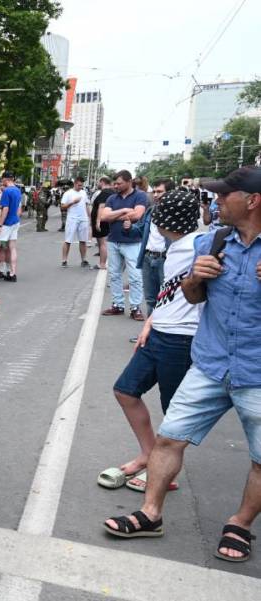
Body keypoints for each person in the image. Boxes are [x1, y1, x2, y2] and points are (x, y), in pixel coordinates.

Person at [102, 166, 261, 563]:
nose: (217, 201)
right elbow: (189, 296)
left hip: (256, 373)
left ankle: (240, 523)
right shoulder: (213, 240)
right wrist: (196, 278)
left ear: (253, 201)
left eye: (226, 195)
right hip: (209, 364)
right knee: (170, 437)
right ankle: (151, 514)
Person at [97, 189, 201, 494]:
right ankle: (148, 454)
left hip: (183, 339)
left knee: (174, 415)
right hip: (159, 333)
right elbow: (168, 294)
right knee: (125, 390)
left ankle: (164, 472)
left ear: (165, 219)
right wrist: (149, 324)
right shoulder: (175, 247)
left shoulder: (201, 245)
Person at [99, 170, 148, 320]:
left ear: (129, 182)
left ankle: (135, 307)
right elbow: (104, 216)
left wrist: (115, 216)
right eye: (115, 183)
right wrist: (125, 210)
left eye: (119, 183)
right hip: (114, 240)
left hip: (133, 242)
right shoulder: (112, 198)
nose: (116, 186)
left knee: (135, 276)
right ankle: (118, 305)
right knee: (114, 275)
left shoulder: (140, 196)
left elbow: (138, 215)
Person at [133, 179, 172, 314]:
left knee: (166, 299)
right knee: (150, 300)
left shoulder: (175, 214)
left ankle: (160, 333)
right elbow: (139, 229)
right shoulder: (151, 211)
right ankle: (149, 334)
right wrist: (128, 227)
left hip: (165, 260)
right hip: (148, 258)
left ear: (170, 193)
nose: (155, 195)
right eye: (154, 191)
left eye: (160, 192)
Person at [0, 171, 22, 282]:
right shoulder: (18, 190)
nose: (1, 181)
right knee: (12, 247)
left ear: (6, 179)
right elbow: (15, 207)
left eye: (2, 179)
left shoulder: (6, 191)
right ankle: (12, 274)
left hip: (6, 223)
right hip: (15, 221)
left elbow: (6, 209)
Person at [60, 176, 91, 268]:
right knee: (68, 240)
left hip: (83, 219)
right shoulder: (68, 193)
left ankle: (83, 260)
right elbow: (62, 207)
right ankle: (64, 260)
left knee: (83, 240)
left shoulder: (84, 193)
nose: (80, 187)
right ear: (75, 183)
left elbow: (87, 205)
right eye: (79, 185)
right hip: (72, 219)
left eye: (81, 185)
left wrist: (89, 217)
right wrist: (73, 202)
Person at [90, 176, 113, 270]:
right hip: (106, 220)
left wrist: (98, 221)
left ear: (102, 182)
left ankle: (102, 264)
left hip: (102, 221)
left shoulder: (105, 192)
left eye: (98, 182)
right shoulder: (111, 192)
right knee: (102, 242)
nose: (97, 184)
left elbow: (102, 206)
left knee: (102, 242)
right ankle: (102, 262)